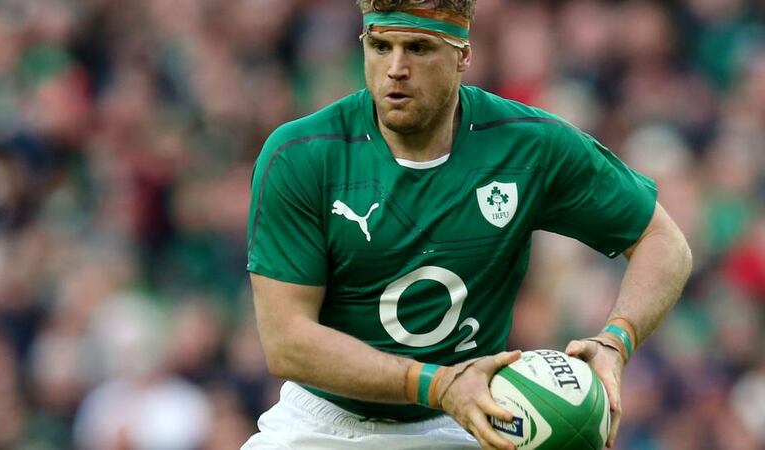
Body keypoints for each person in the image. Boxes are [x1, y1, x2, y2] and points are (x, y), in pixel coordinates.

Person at [243, 0, 692, 448]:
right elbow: (287, 342)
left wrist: (616, 341)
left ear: (463, 55)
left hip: (467, 420)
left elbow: (663, 241)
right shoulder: (301, 154)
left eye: (418, 48)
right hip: (324, 423)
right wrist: (436, 384)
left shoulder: (530, 147)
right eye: (380, 46)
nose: (395, 68)